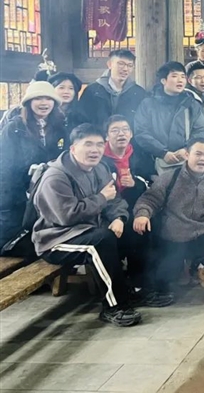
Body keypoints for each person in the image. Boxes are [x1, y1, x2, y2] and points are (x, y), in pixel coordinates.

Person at [31, 124, 143, 327]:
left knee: (136, 227)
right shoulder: (56, 177)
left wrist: (119, 218)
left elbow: (115, 200)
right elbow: (67, 216)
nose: (95, 150)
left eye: (99, 144)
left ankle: (139, 288)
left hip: (89, 228)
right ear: (73, 148)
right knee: (100, 242)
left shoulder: (100, 168)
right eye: (88, 144)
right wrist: (101, 198)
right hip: (57, 238)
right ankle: (115, 306)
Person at [134, 139, 204, 298]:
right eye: (198, 154)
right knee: (166, 282)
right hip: (173, 235)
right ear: (187, 155)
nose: (202, 159)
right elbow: (149, 199)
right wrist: (142, 214)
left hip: (203, 233)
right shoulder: (169, 178)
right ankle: (182, 268)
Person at [0, 81, 68, 253]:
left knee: (42, 242)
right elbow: (4, 166)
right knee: (10, 245)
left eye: (48, 98)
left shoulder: (61, 127)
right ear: (29, 102)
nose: (44, 103)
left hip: (48, 193)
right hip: (17, 195)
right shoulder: (14, 128)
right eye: (38, 98)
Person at [102, 115, 152, 290]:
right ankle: (120, 285)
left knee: (145, 225)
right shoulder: (99, 158)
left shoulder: (141, 156)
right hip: (107, 210)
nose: (121, 134)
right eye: (115, 130)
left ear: (131, 134)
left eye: (125, 130)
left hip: (135, 205)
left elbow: (152, 183)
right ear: (106, 136)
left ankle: (140, 281)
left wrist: (135, 183)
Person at [134, 62, 204, 176]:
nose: (180, 80)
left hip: (186, 160)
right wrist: (162, 152)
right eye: (174, 76)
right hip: (155, 162)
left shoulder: (192, 104)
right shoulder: (148, 104)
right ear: (163, 80)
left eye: (183, 76)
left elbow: (200, 131)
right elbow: (141, 132)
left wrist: (187, 149)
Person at [79, 49, 147, 129]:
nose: (125, 69)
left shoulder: (139, 93)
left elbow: (143, 124)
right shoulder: (92, 91)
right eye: (121, 64)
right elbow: (81, 121)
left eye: (130, 65)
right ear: (109, 64)